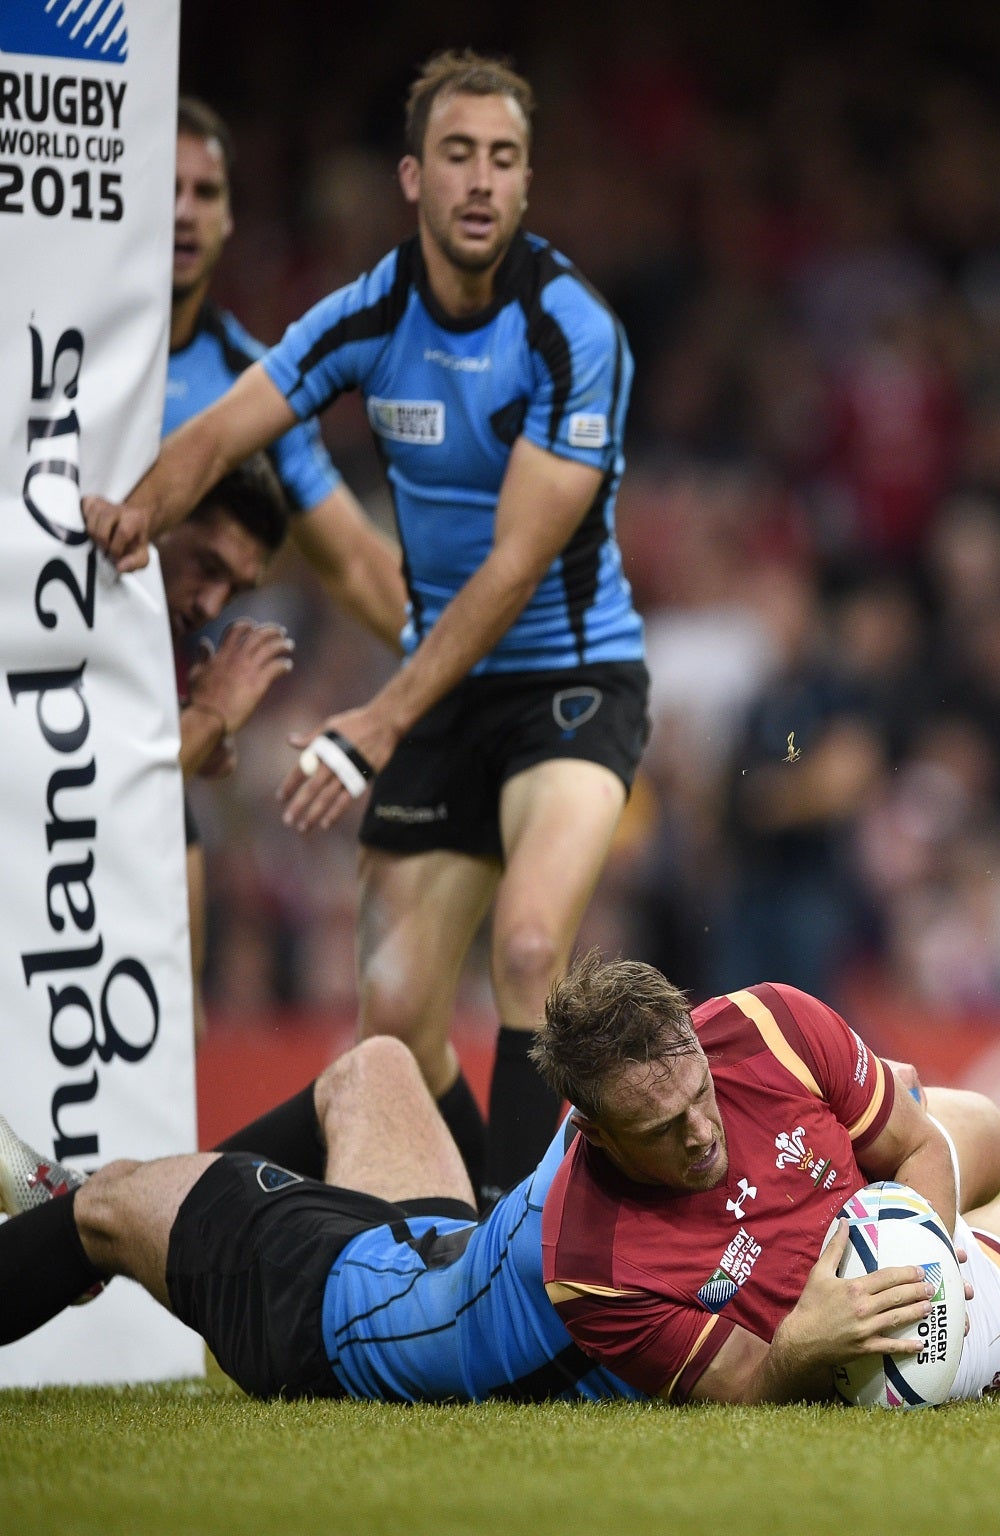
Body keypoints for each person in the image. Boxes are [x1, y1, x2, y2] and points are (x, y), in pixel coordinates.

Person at [0, 900, 1000, 1404]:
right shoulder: (593, 1251)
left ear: (695, 1030)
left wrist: (933, 1245)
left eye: (697, 1097)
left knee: (378, 1067)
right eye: (659, 1131)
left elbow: (917, 1140)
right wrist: (811, 1337)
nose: (694, 1132)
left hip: (463, 1248)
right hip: (346, 1309)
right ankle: (94, 1202)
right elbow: (750, 1387)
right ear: (587, 1135)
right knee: (113, 1209)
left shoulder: (766, 1029)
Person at [86, 53, 649, 1210]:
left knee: (532, 952)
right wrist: (136, 510)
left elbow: (511, 565)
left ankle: (526, 1267)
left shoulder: (571, 329)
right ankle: (473, 1230)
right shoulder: (369, 314)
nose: (480, 181)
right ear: (412, 176)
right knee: (391, 1031)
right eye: (456, 156)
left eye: (502, 159)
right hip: (443, 696)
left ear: (526, 183)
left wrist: (379, 719)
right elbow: (225, 430)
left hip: (572, 680)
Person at [167, 97, 408, 652]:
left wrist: (502, 676)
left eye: (205, 193)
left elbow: (357, 567)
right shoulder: (49, 349)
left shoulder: (256, 388)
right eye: (166, 190)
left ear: (228, 217)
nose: (184, 211)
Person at [160, 457, 299, 1019]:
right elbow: (103, 802)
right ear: (162, 514)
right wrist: (208, 718)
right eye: (206, 564)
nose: (210, 606)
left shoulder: (161, 648)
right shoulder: (67, 613)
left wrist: (192, 728)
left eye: (234, 589)